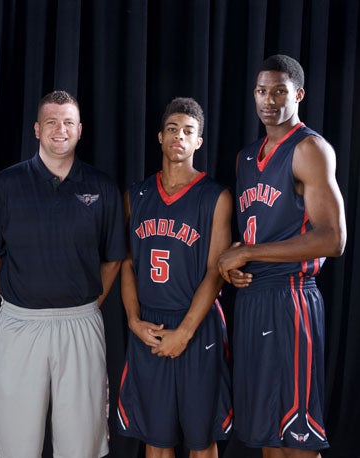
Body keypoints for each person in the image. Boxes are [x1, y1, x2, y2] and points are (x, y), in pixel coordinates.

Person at [0, 90, 125, 458]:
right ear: (36, 129)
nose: (60, 130)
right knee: (15, 442)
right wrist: (13, 295)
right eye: (51, 122)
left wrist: (93, 301)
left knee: (81, 443)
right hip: (20, 322)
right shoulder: (6, 184)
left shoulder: (102, 186)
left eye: (68, 122)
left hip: (79, 321)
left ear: (80, 130)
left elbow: (112, 259)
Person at [218, 54, 346, 457]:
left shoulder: (310, 149)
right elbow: (263, 231)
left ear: (299, 94)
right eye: (261, 90)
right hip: (254, 299)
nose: (269, 100)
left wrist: (251, 252)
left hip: (292, 300)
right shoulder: (245, 157)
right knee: (265, 434)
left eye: (279, 91)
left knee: (297, 434)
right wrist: (243, 265)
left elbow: (332, 239)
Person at [117, 97, 233, 457]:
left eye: (188, 131)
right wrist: (134, 320)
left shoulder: (216, 196)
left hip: (196, 326)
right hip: (149, 325)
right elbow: (126, 266)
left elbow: (216, 272)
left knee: (202, 441)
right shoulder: (136, 195)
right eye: (172, 129)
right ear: (160, 137)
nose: (179, 136)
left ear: (199, 141)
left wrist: (184, 333)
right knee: (157, 440)